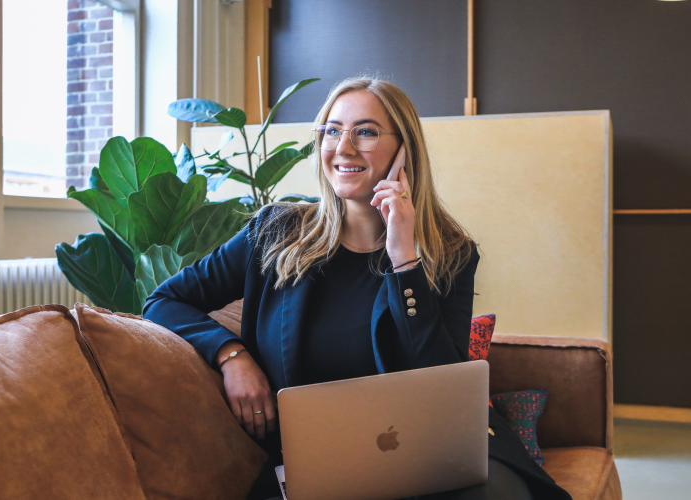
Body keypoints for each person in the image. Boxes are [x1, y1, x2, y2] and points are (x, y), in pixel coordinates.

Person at [143, 78, 571, 500]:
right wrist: (231, 355)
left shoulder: (450, 253)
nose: (343, 147)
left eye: (365, 132)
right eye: (332, 130)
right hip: (318, 465)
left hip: (433, 456)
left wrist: (405, 260)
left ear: (405, 150)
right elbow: (163, 300)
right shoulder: (274, 233)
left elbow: (444, 385)